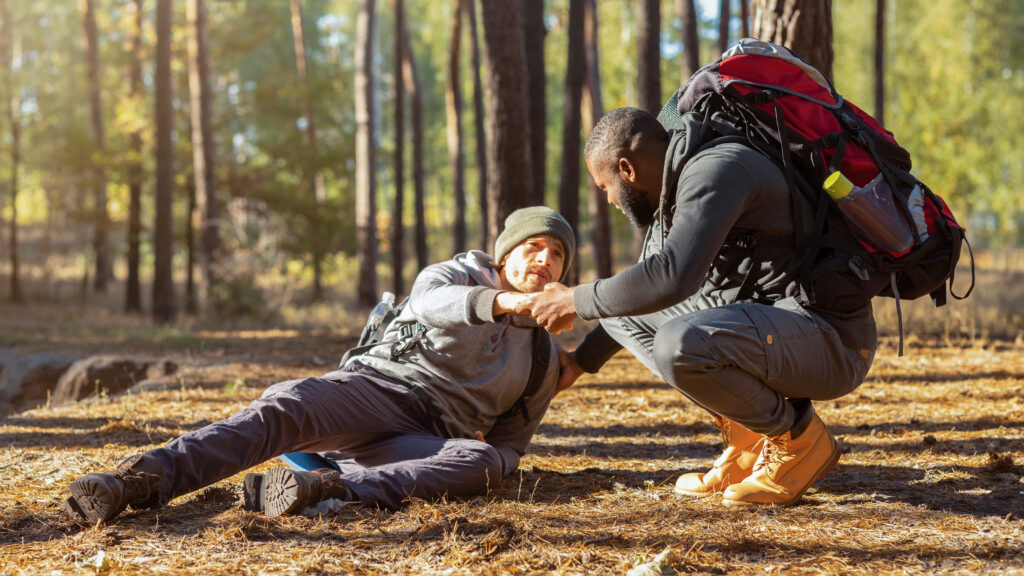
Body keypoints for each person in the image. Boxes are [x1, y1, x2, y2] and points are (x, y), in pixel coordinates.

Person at [65, 206, 576, 523]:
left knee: (482, 464)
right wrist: (508, 305)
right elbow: (430, 305)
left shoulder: (542, 357)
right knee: (287, 404)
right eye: (533, 246)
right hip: (375, 390)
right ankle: (137, 481)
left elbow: (512, 445)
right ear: (504, 254)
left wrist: (488, 453)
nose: (544, 260)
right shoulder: (452, 275)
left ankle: (327, 489)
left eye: (556, 255)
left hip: (426, 441)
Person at [520, 108, 876, 507]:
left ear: (627, 168)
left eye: (605, 186)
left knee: (681, 344)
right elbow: (641, 293)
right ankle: (748, 443)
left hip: (830, 340)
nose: (609, 200)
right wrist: (579, 362)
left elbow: (673, 277)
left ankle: (798, 440)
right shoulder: (677, 185)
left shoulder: (717, 170)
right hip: (780, 329)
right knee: (620, 309)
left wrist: (573, 299)